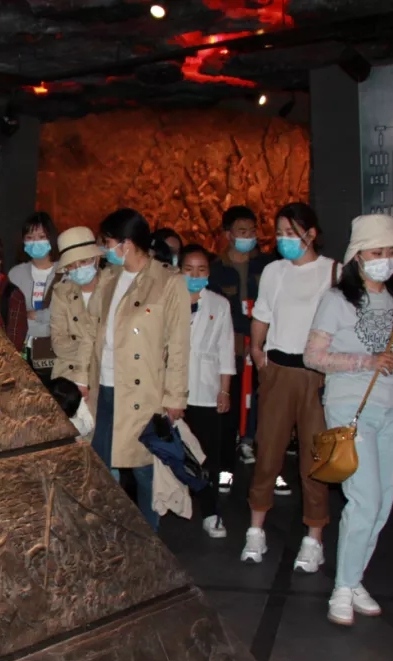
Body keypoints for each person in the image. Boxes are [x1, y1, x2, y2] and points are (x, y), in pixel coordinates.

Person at [304, 214, 393, 626]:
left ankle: (354, 580)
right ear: (358, 257)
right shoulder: (337, 300)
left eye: (391, 252)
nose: (385, 259)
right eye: (376, 252)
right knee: (364, 498)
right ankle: (342, 587)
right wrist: (366, 361)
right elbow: (313, 356)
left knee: (383, 499)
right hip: (351, 406)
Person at [242, 203, 337, 570]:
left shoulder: (333, 271)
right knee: (267, 452)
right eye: (279, 233)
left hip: (317, 374)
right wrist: (256, 350)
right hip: (278, 369)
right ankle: (256, 530)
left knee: (315, 459)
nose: (283, 240)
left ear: (310, 234)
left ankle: (314, 538)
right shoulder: (274, 271)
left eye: (290, 233)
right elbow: (262, 314)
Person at [86, 209, 190, 531]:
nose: (105, 249)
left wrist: (175, 397)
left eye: (107, 243)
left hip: (144, 393)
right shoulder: (109, 277)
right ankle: (107, 533)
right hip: (105, 386)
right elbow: (92, 324)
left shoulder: (168, 281)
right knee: (100, 465)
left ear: (126, 244)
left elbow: (179, 344)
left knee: (146, 470)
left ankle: (149, 538)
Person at [210, 206, 271, 468]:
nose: (248, 236)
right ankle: (229, 447)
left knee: (261, 397)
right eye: (242, 231)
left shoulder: (267, 266)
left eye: (252, 231)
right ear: (228, 235)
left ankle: (252, 441)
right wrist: (246, 331)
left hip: (264, 341)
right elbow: (220, 309)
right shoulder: (216, 269)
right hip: (231, 343)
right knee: (232, 396)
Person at [181, 244, 235, 538]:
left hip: (206, 389)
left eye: (201, 269)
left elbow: (226, 349)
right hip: (172, 389)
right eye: (189, 269)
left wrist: (224, 391)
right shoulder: (167, 299)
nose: (195, 275)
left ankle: (211, 511)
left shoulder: (219, 303)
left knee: (206, 455)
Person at [49, 226, 102, 393]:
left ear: (96, 259)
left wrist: (82, 341)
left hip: (104, 376)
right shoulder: (61, 292)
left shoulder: (111, 288)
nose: (78, 268)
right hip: (68, 376)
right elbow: (58, 344)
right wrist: (94, 345)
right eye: (71, 265)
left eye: (84, 262)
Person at [7, 212, 60, 379]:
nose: (35, 242)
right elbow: (12, 314)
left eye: (41, 237)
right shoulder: (15, 274)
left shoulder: (65, 272)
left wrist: (36, 315)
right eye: (29, 237)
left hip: (56, 350)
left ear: (51, 238)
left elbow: (65, 313)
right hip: (22, 349)